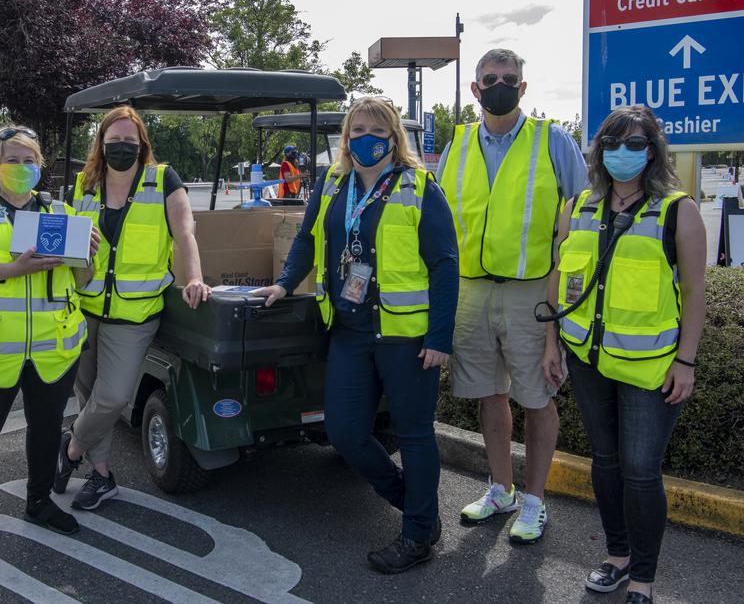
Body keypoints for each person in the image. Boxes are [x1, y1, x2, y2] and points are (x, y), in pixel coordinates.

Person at [254, 97, 459, 573]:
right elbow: (306, 239)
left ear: (393, 137)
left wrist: (441, 337)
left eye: (376, 129)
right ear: (345, 138)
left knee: (413, 434)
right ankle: (416, 505)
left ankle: (416, 538)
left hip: (406, 335)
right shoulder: (332, 182)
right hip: (348, 328)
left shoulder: (420, 187)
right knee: (345, 432)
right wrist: (285, 282)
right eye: (357, 129)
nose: (366, 138)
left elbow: (446, 266)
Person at [541, 106, 705, 604]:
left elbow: (696, 292)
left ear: (653, 151)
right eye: (613, 144)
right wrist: (552, 343)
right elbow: (558, 272)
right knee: (605, 462)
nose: (623, 154)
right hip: (588, 360)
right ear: (599, 151)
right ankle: (616, 557)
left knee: (639, 469)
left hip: (649, 369)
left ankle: (643, 578)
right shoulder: (579, 205)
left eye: (636, 145)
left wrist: (686, 362)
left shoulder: (680, 210)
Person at [437, 48, 587, 544]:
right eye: (489, 78)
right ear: (474, 90)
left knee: (537, 398)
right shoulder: (456, 143)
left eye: (509, 78)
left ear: (522, 87)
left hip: (532, 294)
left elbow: (582, 220)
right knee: (489, 393)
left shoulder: (553, 141)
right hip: (472, 291)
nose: (498, 84)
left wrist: (566, 301)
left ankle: (535, 500)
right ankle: (500, 487)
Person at [0, 125, 99, 554]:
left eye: (29, 161)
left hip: (52, 347)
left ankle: (39, 501)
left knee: (45, 431)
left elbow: (82, 280)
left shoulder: (60, 212)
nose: (21, 168)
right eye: (12, 159)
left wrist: (89, 254)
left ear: (41, 164)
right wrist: (12, 269)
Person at [54, 105, 209, 510]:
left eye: (129, 139)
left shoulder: (162, 180)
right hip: (84, 307)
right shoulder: (84, 185)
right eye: (114, 140)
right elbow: (70, 243)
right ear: (101, 143)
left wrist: (192, 277)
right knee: (88, 399)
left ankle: (70, 450)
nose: (122, 146)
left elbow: (185, 234)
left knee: (114, 397)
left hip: (134, 314)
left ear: (142, 143)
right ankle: (102, 475)